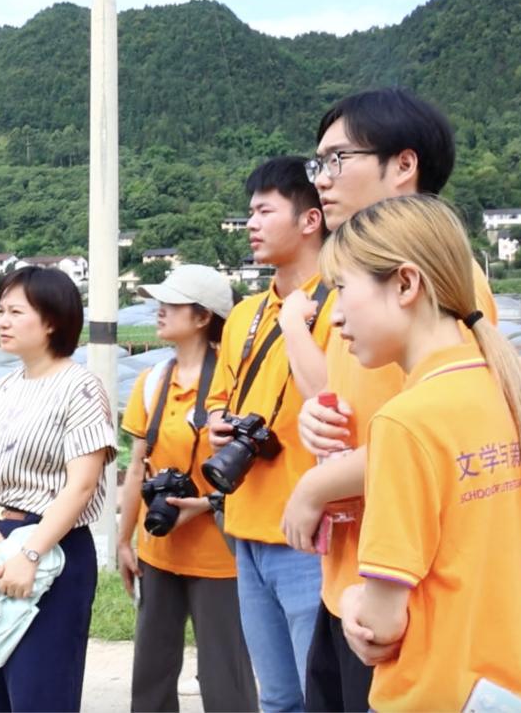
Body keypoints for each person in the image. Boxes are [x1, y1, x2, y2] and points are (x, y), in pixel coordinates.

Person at [282, 87, 500, 712]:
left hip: (400, 598)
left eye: (338, 159)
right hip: (352, 582)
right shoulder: (358, 281)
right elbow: (351, 401)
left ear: (403, 165)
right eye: (317, 163)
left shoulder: (444, 282)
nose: (321, 179)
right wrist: (316, 419)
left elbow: (435, 438)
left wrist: (315, 487)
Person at [319, 194, 521, 709]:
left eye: (342, 289)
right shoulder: (508, 389)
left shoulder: (404, 422)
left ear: (406, 283)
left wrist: (352, 599)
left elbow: (382, 625)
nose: (334, 317)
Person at [204, 156, 335, 711]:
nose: (251, 225)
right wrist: (217, 423)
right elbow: (220, 400)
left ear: (310, 220)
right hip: (247, 530)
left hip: (311, 535)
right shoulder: (244, 315)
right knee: (277, 699)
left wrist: (293, 326)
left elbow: (336, 401)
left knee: (320, 695)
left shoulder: (340, 304)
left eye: (264, 212)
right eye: (249, 213)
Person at [0, 266, 117, 712]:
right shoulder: (2, 387)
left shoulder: (80, 388)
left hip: (50, 549)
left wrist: (30, 554)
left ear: (51, 320)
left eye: (15, 312)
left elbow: (82, 484)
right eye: (0, 311)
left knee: (41, 692)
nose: (2, 321)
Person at [118, 264, 257, 712]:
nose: (159, 310)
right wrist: (123, 542)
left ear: (202, 316)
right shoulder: (152, 382)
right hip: (158, 549)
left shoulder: (234, 385)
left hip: (219, 556)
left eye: (172, 304)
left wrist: (206, 503)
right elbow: (137, 468)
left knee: (225, 680)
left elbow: (256, 467)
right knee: (150, 678)